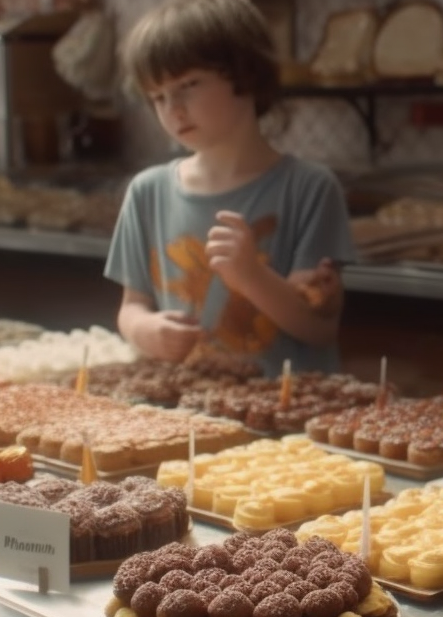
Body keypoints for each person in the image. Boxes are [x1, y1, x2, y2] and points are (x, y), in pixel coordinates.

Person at [106, 0, 353, 375]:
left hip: (291, 423)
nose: (173, 108)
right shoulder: (146, 192)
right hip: (187, 418)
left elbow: (320, 330)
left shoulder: (310, 189)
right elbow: (131, 307)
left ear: (247, 74)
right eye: (158, 96)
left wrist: (251, 276)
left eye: (188, 85)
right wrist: (145, 331)